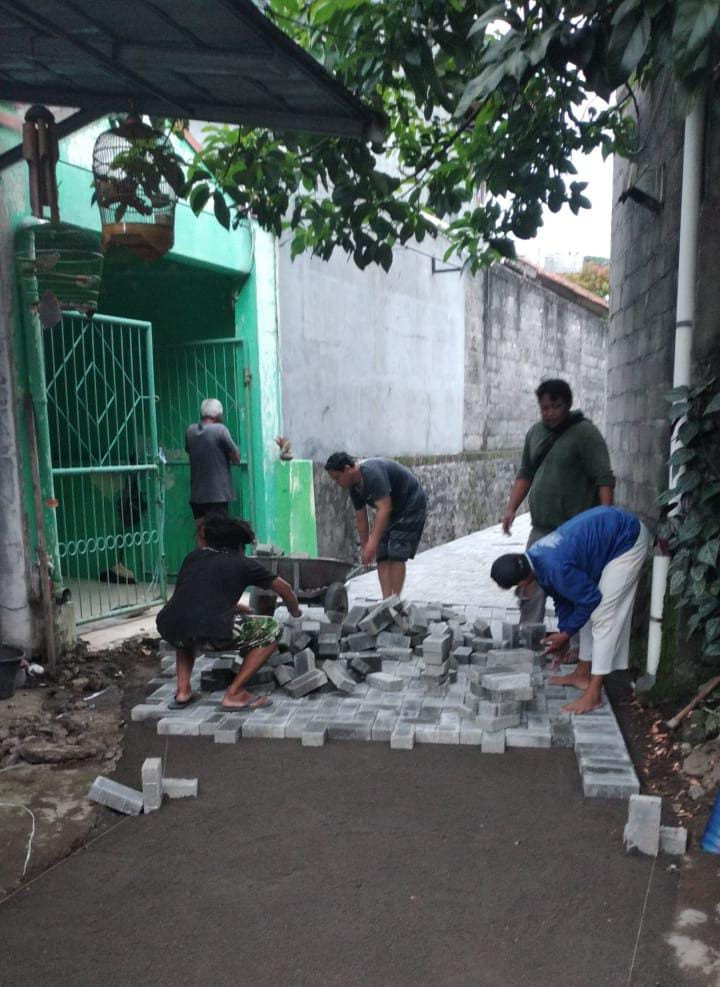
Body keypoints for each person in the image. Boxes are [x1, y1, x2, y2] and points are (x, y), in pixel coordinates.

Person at [490, 506, 650, 715]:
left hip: (627, 539)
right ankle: (582, 674)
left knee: (602, 615)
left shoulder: (554, 566)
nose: (520, 590)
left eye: (517, 586)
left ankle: (594, 694)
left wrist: (565, 634)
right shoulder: (536, 559)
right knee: (581, 610)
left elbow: (591, 598)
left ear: (522, 580)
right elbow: (564, 599)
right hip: (607, 535)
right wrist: (565, 634)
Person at [501, 378, 615, 654]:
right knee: (529, 584)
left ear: (568, 404)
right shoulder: (535, 434)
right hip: (541, 527)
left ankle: (576, 647)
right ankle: (529, 639)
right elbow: (525, 474)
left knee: (573, 587)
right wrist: (511, 509)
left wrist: (606, 520)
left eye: (555, 406)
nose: (550, 413)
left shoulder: (586, 434)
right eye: (544, 408)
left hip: (574, 532)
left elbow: (604, 478)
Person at [156, 515, 302, 712]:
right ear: (240, 545)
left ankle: (182, 692)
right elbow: (284, 589)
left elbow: (191, 599)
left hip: (170, 626)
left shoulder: (193, 557)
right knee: (273, 628)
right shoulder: (243, 563)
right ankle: (235, 694)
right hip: (212, 632)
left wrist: (232, 608)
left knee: (186, 628)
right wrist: (295, 611)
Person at [324, 452, 427, 599]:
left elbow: (384, 508)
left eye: (337, 478)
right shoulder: (354, 487)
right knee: (382, 553)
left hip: (411, 503)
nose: (337, 483)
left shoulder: (372, 474)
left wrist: (372, 543)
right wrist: (366, 546)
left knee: (397, 552)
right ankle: (386, 601)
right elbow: (361, 517)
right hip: (392, 508)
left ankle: (395, 601)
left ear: (347, 469)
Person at [185, 398, 241, 545]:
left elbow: (189, 450)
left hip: (196, 496)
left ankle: (203, 564)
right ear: (219, 415)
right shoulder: (220, 430)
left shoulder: (190, 431)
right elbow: (236, 458)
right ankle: (218, 566)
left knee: (201, 534)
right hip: (218, 495)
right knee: (219, 535)